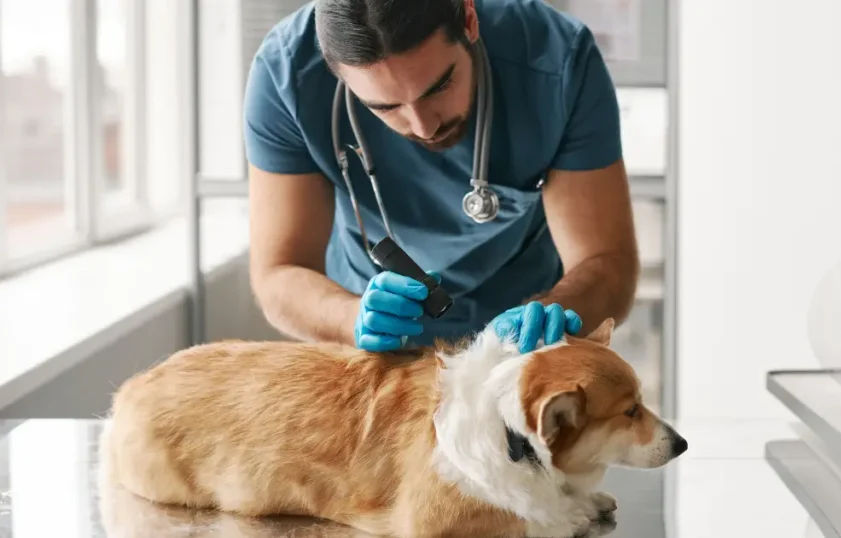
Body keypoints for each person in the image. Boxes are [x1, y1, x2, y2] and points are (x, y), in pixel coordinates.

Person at [243, 0, 639, 354]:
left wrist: (555, 312)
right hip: (368, 340)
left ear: (469, 18)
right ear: (334, 70)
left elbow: (606, 262)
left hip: (521, 344)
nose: (423, 126)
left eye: (439, 86)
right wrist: (352, 318)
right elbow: (279, 274)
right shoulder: (285, 76)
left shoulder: (557, 61)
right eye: (385, 107)